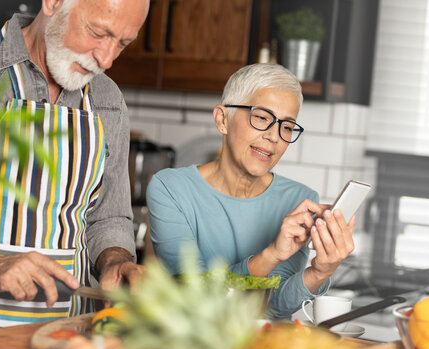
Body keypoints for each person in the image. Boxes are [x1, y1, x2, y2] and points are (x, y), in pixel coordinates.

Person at [0, 0, 149, 331]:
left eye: (123, 44)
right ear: (53, 3)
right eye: (98, 32)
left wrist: (116, 260)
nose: (107, 59)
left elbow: (107, 216)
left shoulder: (108, 101)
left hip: (66, 337)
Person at [146, 63, 355, 319]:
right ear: (223, 119)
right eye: (262, 118)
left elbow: (274, 307)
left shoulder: (299, 200)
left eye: (287, 127)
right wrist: (272, 254)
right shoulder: (170, 188)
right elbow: (197, 299)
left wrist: (320, 272)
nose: (274, 137)